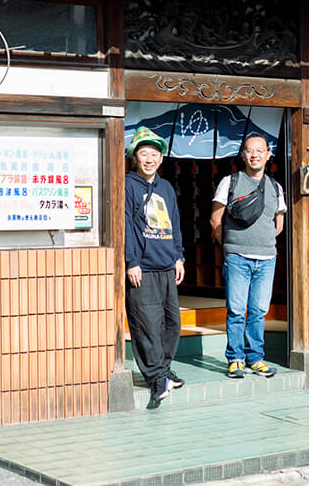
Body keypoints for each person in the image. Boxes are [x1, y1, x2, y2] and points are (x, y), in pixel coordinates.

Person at [210, 134, 286, 379]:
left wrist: (262, 242)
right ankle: (235, 359)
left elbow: (279, 223)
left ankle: (255, 358)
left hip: (267, 259)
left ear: (268, 155)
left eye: (260, 151)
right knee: (235, 309)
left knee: (258, 311)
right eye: (250, 151)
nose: (255, 155)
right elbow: (215, 220)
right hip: (237, 258)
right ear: (242, 155)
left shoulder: (275, 187)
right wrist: (232, 245)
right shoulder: (229, 181)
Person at [124, 126, 186, 408]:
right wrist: (131, 261)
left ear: (161, 159)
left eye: (154, 154)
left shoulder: (167, 187)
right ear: (135, 158)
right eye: (143, 154)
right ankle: (155, 377)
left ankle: (164, 370)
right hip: (143, 268)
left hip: (166, 264)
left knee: (172, 323)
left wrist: (179, 256)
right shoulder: (128, 184)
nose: (149, 159)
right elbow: (124, 224)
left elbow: (174, 222)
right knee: (146, 324)